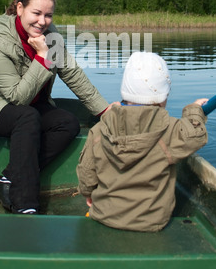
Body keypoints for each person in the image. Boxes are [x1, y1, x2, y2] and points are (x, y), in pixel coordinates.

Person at [0, 0, 110, 214]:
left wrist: (105, 111)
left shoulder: (51, 38)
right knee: (27, 116)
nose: (42, 21)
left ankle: (7, 180)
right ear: (20, 8)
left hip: (27, 108)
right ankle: (25, 203)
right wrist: (43, 57)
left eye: (48, 15)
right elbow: (17, 98)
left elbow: (73, 74)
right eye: (36, 13)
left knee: (67, 122)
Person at [76, 51, 208, 232]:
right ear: (163, 98)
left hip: (104, 215)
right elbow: (195, 135)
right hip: (152, 222)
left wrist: (87, 192)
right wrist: (194, 110)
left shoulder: (100, 128)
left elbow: (86, 171)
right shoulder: (170, 129)